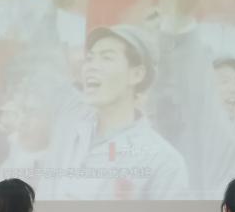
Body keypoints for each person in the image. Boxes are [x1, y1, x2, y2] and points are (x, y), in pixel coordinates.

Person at [49, 25, 189, 200]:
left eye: (106, 58)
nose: (91, 66)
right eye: (90, 59)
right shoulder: (69, 127)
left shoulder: (163, 161)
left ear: (136, 74)